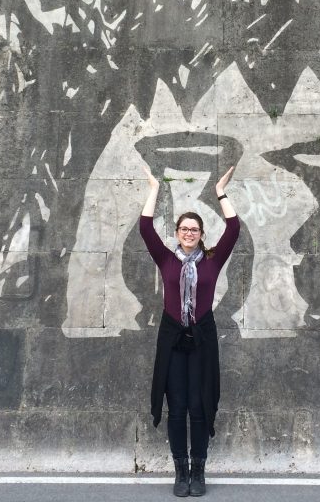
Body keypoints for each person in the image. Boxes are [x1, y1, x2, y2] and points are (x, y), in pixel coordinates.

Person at [140, 165, 239, 497]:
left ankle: (199, 470)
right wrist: (154, 187)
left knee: (198, 406)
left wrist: (220, 192)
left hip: (201, 340)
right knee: (177, 406)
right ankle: (180, 470)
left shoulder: (212, 261)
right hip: (172, 340)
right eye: (184, 228)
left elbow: (234, 227)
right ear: (177, 231)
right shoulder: (166, 260)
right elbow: (145, 227)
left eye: (194, 229)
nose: (189, 233)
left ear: (201, 233)